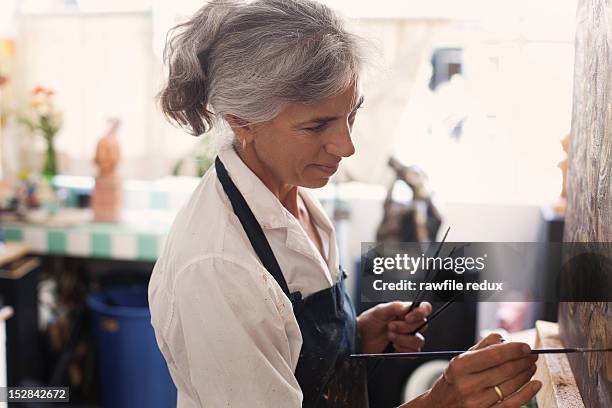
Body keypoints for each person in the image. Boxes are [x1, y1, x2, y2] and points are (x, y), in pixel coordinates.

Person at [148, 1, 542, 407]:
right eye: (317, 125)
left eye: (350, 115)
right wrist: (441, 401)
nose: (347, 147)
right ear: (242, 121)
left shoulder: (290, 195)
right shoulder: (219, 269)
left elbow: (291, 348)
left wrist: (354, 335)